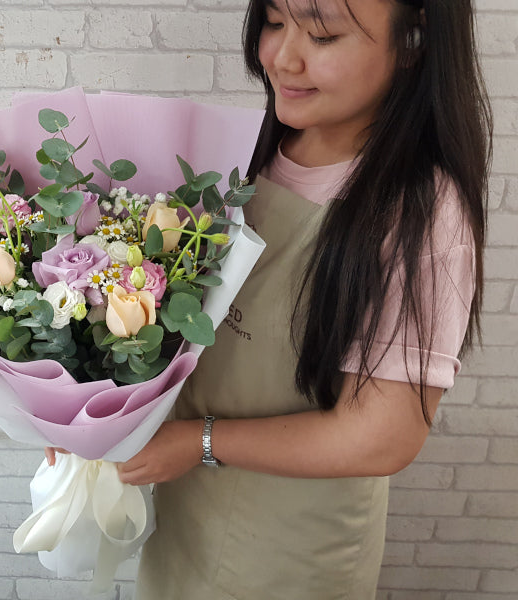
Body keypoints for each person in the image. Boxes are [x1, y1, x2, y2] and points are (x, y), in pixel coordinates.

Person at [113, 0, 492, 598]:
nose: (282, 58)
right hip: (187, 505)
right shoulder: (251, 153)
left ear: (412, 41)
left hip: (293, 543)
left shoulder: (420, 215)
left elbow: (382, 436)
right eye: (273, 22)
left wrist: (199, 442)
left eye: (321, 34)